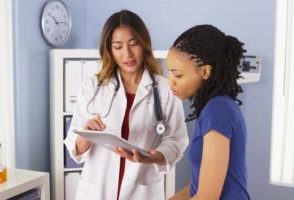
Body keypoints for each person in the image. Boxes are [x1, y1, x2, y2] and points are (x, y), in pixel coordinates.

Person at [64, 10, 188, 200]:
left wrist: (152, 157)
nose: (127, 54)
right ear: (109, 49)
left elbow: (177, 140)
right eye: (118, 46)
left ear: (144, 44)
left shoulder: (164, 88)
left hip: (142, 191)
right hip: (96, 191)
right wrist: (86, 135)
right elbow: (75, 146)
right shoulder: (92, 87)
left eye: (133, 43)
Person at [166, 25, 250, 200]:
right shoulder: (212, 108)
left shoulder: (218, 110)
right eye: (169, 74)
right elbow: (194, 189)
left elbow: (207, 197)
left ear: (205, 72)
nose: (171, 82)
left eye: (178, 75)